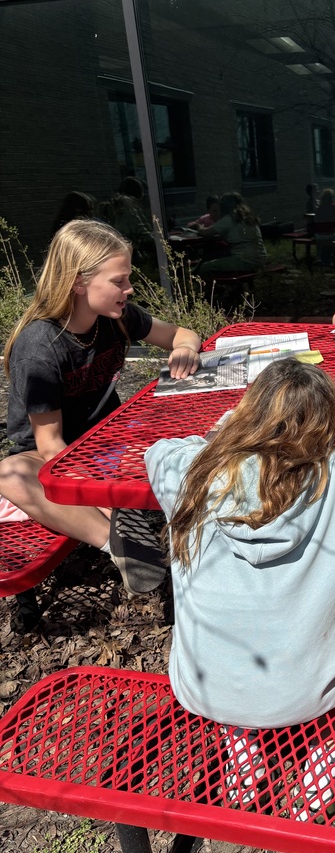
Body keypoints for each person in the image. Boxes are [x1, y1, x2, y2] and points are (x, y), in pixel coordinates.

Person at [145, 358, 335, 806]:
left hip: (206, 688)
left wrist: (226, 434)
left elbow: (159, 451)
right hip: (311, 694)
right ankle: (322, 764)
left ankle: (243, 758)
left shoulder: (195, 470)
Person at [0, 219, 202, 596]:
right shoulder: (40, 347)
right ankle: (122, 545)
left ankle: (139, 531)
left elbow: (180, 333)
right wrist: (110, 503)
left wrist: (185, 349)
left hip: (112, 440)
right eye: (119, 281)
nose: (129, 288)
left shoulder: (117, 317)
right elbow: (49, 446)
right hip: (54, 458)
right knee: (10, 473)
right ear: (78, 283)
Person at [196, 191, 267, 275]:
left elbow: (205, 233)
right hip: (261, 259)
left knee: (205, 267)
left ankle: (205, 285)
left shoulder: (230, 218)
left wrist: (200, 227)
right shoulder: (248, 217)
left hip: (245, 261)